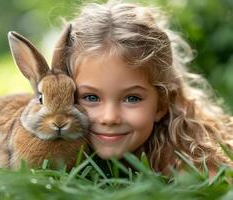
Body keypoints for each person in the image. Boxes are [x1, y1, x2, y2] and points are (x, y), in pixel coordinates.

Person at [62, 1, 233, 176]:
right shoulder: (52, 140)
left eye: (131, 98)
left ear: (161, 104)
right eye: (91, 97)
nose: (110, 117)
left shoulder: (186, 160)